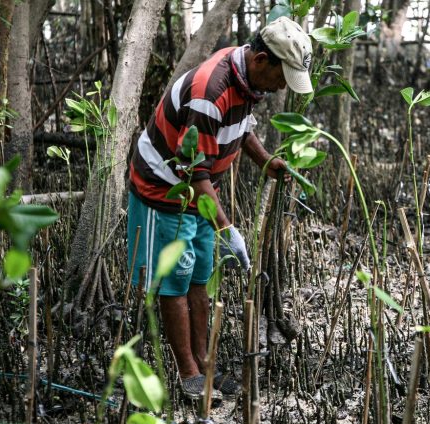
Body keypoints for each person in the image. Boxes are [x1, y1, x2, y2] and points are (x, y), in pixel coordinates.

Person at [126, 17, 313, 398]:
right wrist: (228, 229)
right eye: (281, 77)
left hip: (199, 193)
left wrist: (264, 161)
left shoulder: (246, 75)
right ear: (262, 59)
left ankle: (203, 360)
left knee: (199, 276)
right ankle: (187, 371)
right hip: (166, 190)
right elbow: (195, 171)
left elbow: (242, 127)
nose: (281, 88)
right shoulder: (211, 91)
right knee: (175, 280)